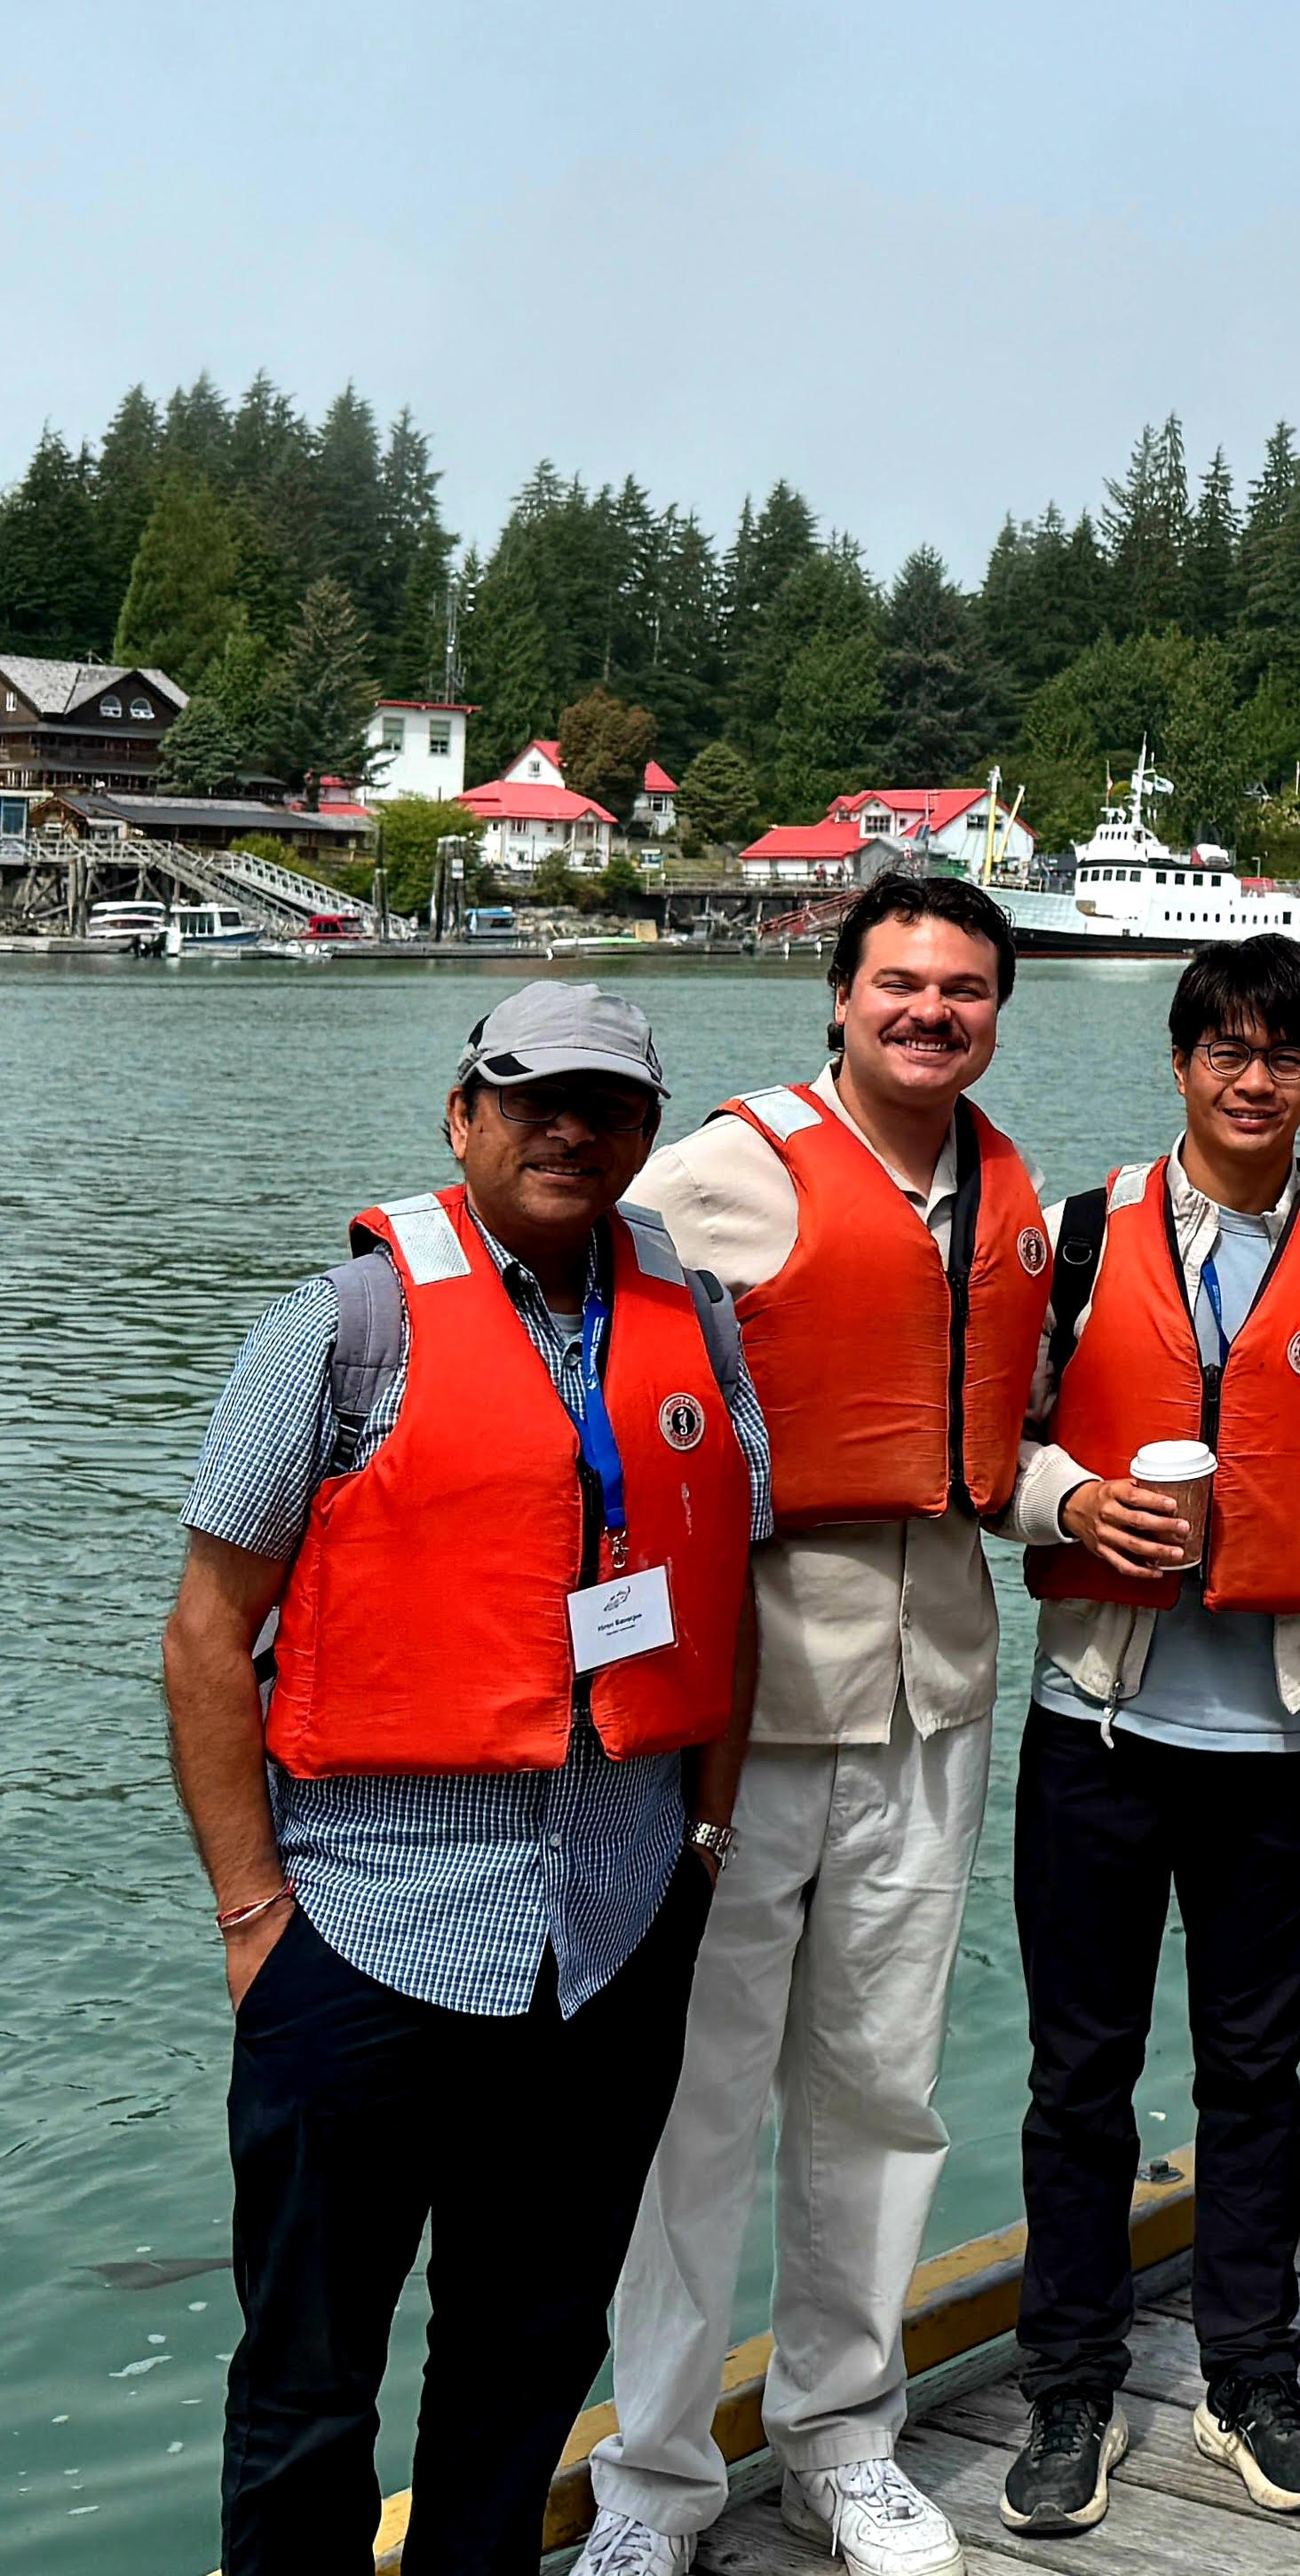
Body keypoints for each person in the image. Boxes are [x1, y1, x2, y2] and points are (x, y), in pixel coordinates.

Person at [162, 984, 770, 2575]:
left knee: (518, 2370)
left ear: (647, 1133)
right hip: (365, 1938)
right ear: (463, 1115)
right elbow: (209, 1632)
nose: (570, 1130)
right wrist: (251, 1910)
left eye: (609, 1106)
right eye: (532, 1098)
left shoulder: (695, 1326)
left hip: (613, 1937)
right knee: (308, 2385)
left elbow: (728, 1594)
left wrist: (703, 1839)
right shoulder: (339, 1328)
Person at [578, 877, 1050, 2576]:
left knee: (878, 2094)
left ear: (999, 1009)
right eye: (901, 983)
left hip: (934, 1700)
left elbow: (1001, 1433)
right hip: (742, 1711)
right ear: (838, 996)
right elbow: (582, 1369)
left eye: (967, 989)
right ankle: (651, 2474)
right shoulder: (717, 1174)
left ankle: (844, 2437)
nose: (933, 1011)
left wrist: (1071, 1504)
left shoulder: (1012, 1194)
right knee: (695, 2107)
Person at [992, 933, 1300, 2538]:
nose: (1256, 1081)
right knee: (1077, 2078)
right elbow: (997, 1440)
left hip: (1280, 1744)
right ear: (1179, 1061)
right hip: (1091, 1732)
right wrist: (1069, 1498)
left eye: (1287, 1057)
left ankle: (1252, 2372)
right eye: (1228, 1051)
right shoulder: (1081, 1234)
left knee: (1257, 2077)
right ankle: (1069, 2389)